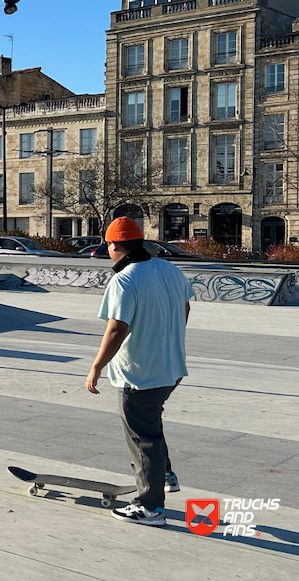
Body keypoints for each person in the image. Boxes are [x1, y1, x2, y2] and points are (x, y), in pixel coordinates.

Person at [87, 217, 193, 526]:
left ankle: (150, 507)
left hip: (139, 374)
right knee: (151, 424)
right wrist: (167, 337)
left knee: (142, 437)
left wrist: (96, 367)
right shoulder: (169, 270)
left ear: (114, 245)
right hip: (171, 368)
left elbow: (116, 329)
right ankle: (166, 475)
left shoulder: (125, 279)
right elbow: (185, 308)